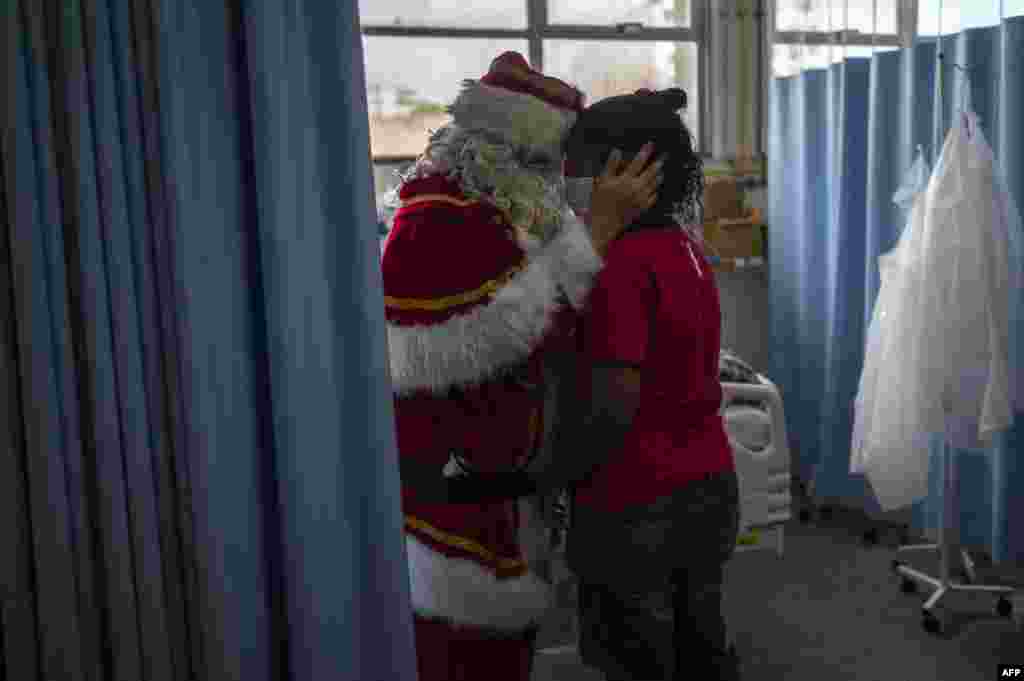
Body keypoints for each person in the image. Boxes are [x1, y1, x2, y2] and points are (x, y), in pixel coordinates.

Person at [380, 52, 664, 681]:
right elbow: (496, 330)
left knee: (502, 644)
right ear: (502, 149)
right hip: (453, 493)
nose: (554, 181)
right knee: (461, 650)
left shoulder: (495, 202)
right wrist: (598, 234)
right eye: (543, 164)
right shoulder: (440, 216)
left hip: (502, 482)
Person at [442, 87, 743, 681]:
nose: (568, 180)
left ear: (622, 172)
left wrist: (536, 476)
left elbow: (612, 409)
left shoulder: (622, 265)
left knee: (638, 661)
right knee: (701, 650)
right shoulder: (686, 250)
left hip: (637, 503)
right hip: (709, 488)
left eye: (577, 166)